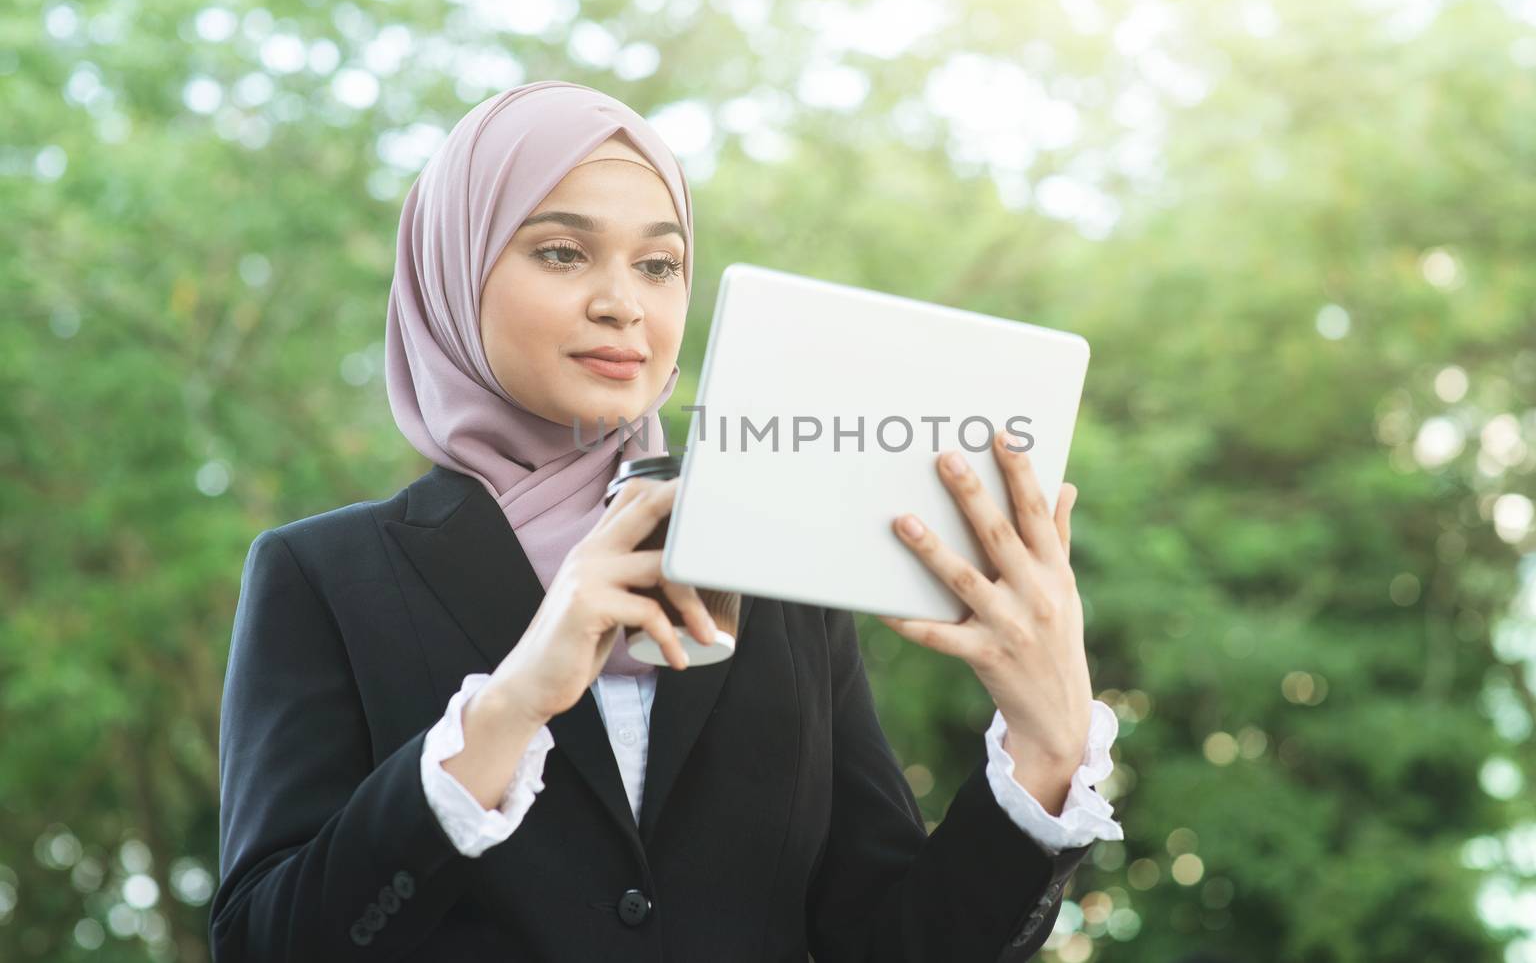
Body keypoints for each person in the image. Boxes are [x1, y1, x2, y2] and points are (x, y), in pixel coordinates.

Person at [209, 80, 1125, 962]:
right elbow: (265, 942)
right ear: (455, 272)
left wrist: (1047, 748)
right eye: (562, 252)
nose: (624, 302)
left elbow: (890, 945)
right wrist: (511, 705)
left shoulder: (773, 569)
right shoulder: (324, 576)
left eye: (659, 264)